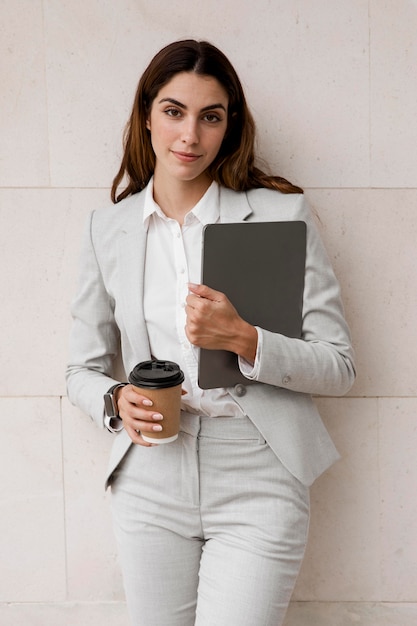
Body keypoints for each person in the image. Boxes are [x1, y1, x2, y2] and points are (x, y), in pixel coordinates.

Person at [66, 39, 356, 626]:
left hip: (259, 468)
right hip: (150, 475)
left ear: (230, 127)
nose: (190, 136)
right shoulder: (109, 229)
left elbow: (340, 366)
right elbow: (81, 370)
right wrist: (116, 400)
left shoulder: (278, 215)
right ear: (146, 115)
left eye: (210, 116)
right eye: (173, 111)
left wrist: (246, 339)